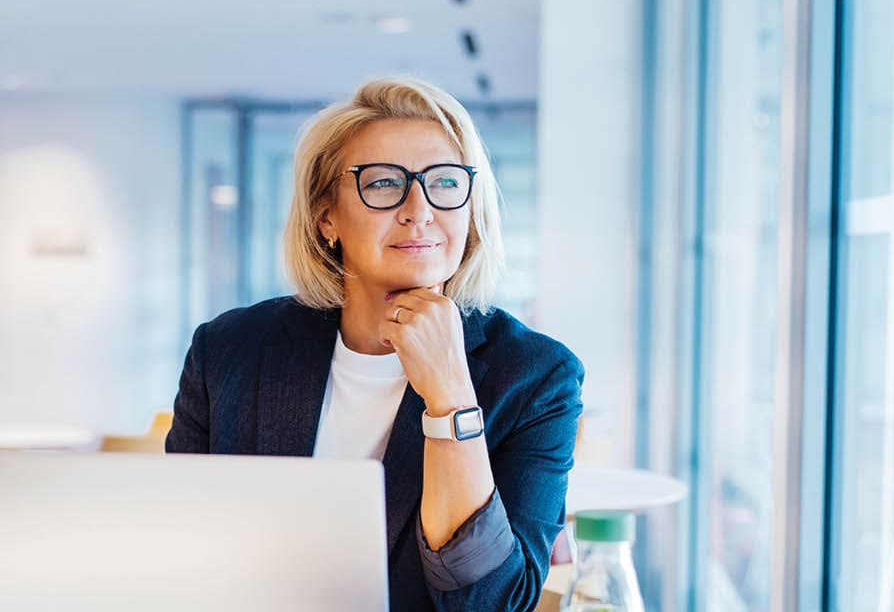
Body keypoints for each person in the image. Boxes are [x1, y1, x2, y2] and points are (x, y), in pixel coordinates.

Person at [166, 76, 584, 611]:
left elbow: (495, 601)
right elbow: (180, 547)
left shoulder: (536, 376)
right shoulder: (228, 349)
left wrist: (451, 395)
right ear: (326, 218)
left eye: (446, 182)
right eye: (384, 183)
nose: (420, 209)